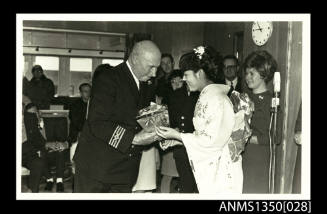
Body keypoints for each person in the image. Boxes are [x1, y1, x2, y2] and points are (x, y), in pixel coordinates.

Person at [73, 40, 162, 193]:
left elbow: (143, 117)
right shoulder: (108, 78)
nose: (154, 73)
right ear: (134, 58)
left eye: (157, 68)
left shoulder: (147, 84)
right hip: (96, 167)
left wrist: (160, 130)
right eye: (151, 67)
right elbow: (98, 122)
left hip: (126, 169)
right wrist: (134, 138)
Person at [156, 46, 245, 193]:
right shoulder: (207, 96)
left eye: (186, 74)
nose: (184, 79)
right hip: (210, 164)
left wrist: (178, 135)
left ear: (200, 73)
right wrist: (177, 140)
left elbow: (211, 141)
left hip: (220, 167)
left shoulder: (217, 99)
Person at [242, 50, 277, 193]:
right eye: (246, 73)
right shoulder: (243, 97)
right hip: (241, 156)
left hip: (258, 159)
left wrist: (248, 138)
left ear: (263, 75)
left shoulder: (271, 101)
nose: (247, 77)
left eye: (252, 73)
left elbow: (276, 137)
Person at [160, 70, 184, 193]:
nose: (176, 84)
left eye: (180, 81)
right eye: (173, 82)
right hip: (169, 138)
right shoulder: (166, 99)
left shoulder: (191, 97)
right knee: (167, 174)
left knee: (185, 176)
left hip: (183, 139)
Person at [22, 101, 47, 193]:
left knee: (38, 162)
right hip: (25, 148)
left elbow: (39, 136)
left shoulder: (30, 119)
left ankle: (33, 192)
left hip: (27, 151)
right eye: (31, 113)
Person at [66, 83, 91, 173]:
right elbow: (76, 123)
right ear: (80, 93)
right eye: (85, 91)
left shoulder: (95, 105)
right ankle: (75, 174)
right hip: (77, 134)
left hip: (91, 134)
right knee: (75, 153)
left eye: (89, 91)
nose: (88, 93)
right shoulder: (75, 105)